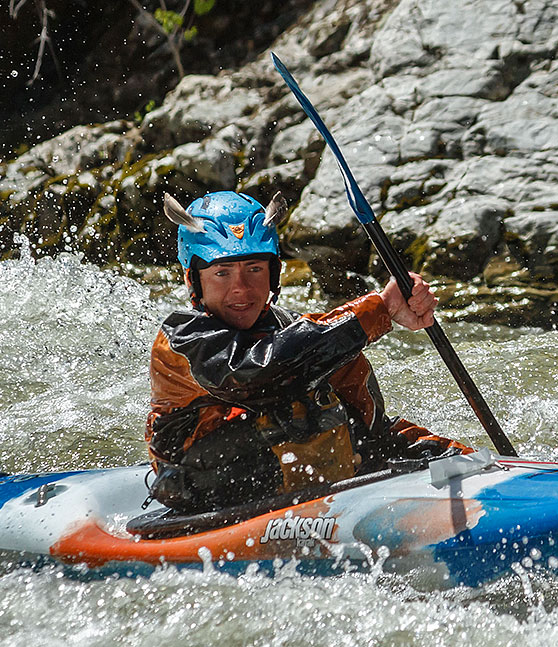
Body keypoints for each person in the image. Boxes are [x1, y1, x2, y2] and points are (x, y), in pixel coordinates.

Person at [145, 190, 471, 513]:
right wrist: (380, 308)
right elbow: (261, 369)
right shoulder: (182, 338)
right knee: (301, 409)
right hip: (206, 492)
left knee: (328, 406)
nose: (241, 288)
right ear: (194, 279)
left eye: (255, 269)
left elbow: (368, 424)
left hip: (309, 485)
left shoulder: (297, 332)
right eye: (222, 273)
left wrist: (457, 460)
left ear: (273, 275)